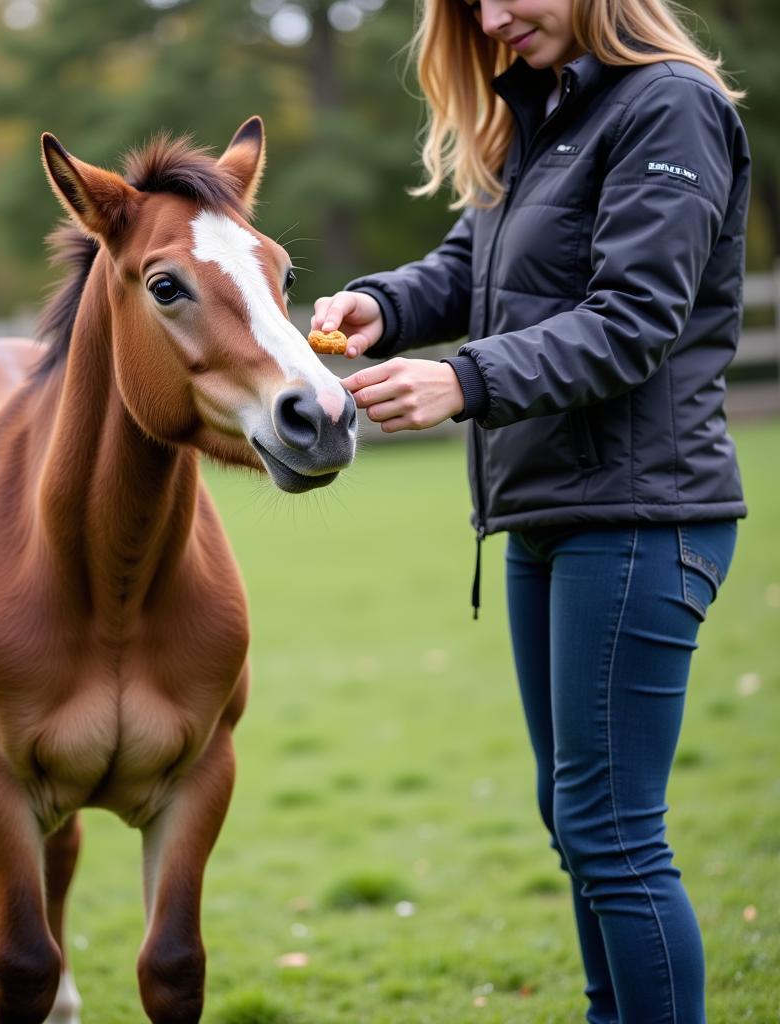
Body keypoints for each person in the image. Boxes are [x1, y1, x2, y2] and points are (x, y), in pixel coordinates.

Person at [311, 1, 750, 1021]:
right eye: (471, 2)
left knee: (612, 830)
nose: (494, 17)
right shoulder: (544, 110)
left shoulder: (666, 108)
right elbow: (476, 266)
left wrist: (460, 382)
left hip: (640, 517)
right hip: (551, 511)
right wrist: (384, 306)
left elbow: (633, 318)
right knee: (576, 819)